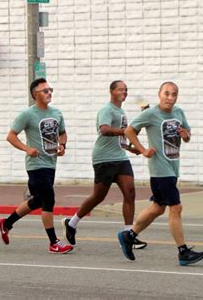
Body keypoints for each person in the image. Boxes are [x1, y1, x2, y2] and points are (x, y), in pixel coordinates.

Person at [118, 81, 203, 266]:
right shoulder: (150, 114)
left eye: (174, 94)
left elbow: (187, 134)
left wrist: (186, 135)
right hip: (160, 170)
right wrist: (143, 150)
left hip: (173, 167)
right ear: (160, 94)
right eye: (167, 93)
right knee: (176, 207)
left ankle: (129, 236)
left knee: (158, 207)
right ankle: (183, 252)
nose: (170, 98)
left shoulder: (179, 112)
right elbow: (129, 130)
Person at [61, 81, 147, 250]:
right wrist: (127, 131)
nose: (125, 92)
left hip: (120, 157)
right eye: (121, 89)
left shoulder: (121, 112)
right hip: (104, 158)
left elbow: (119, 139)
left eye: (126, 89)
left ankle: (128, 234)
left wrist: (130, 148)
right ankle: (71, 223)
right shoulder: (106, 110)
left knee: (130, 192)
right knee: (98, 197)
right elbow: (105, 130)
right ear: (112, 91)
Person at [0, 78, 73, 254]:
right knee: (48, 200)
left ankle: (6, 223)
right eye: (45, 91)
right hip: (36, 164)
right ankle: (54, 242)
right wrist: (27, 148)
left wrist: (62, 146)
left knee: (38, 200)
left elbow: (62, 134)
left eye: (50, 89)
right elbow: (11, 136)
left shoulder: (57, 113)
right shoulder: (27, 114)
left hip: (51, 163)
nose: (49, 93)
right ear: (35, 95)